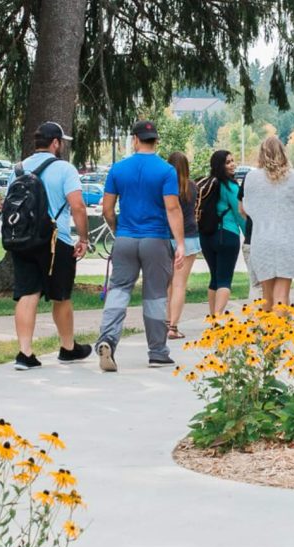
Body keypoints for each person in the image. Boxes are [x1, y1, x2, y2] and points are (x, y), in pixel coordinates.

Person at [95, 120, 188, 371]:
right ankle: (157, 352)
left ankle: (107, 340)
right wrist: (179, 243)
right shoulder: (166, 171)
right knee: (155, 296)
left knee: (118, 292)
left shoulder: (118, 169)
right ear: (155, 141)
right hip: (155, 240)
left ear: (134, 139)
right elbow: (172, 207)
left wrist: (117, 229)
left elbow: (107, 209)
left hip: (125, 238)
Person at [9, 121, 92, 370]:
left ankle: (25, 353)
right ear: (55, 143)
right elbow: (77, 205)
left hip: (23, 240)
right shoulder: (65, 169)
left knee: (27, 293)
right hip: (58, 241)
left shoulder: (18, 169)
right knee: (61, 295)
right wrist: (84, 238)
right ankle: (68, 348)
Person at [239, 135, 294, 312]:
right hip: (288, 240)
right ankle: (278, 335)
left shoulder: (252, 178)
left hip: (262, 240)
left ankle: (267, 334)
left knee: (266, 295)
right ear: (283, 153)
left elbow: (246, 208)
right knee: (282, 295)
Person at [194, 150, 244, 317]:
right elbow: (239, 213)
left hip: (206, 236)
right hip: (227, 235)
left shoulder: (207, 183)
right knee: (224, 280)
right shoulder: (230, 186)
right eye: (228, 162)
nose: (232, 164)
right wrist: (248, 234)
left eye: (232, 160)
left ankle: (212, 317)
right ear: (220, 165)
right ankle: (217, 318)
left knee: (214, 278)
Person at [164, 152, 203, 339]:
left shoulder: (164, 186)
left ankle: (165, 322)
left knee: (167, 283)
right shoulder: (192, 187)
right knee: (180, 284)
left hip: (167, 236)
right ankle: (173, 327)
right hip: (188, 237)